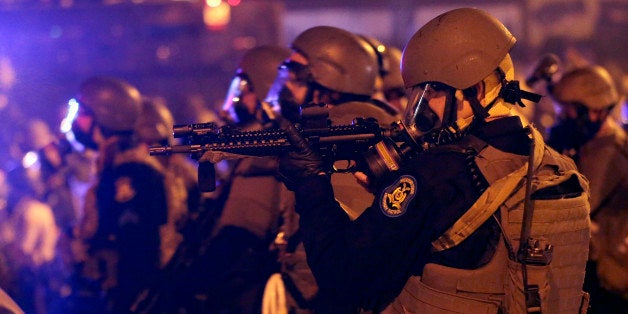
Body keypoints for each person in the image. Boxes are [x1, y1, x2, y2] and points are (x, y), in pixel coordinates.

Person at [276, 8, 591, 312]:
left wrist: (311, 184)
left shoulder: (439, 171)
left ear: (475, 90)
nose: (424, 110)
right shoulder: (552, 164)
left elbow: (341, 273)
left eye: (432, 93)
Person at [68, 76, 168, 313]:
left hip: (131, 298)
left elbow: (135, 247)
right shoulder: (110, 168)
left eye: (82, 112)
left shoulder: (134, 174)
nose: (76, 120)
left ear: (105, 116)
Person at [547, 65, 628, 313]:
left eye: (570, 111)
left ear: (595, 112)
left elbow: (577, 206)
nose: (564, 118)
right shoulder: (589, 143)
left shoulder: (609, 150)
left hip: (607, 277)